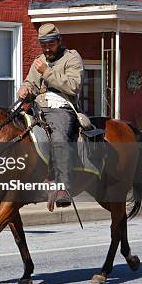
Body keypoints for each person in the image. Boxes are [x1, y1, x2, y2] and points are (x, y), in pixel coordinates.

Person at [17, 23, 84, 211]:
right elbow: (31, 83)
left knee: (59, 138)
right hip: (38, 106)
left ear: (59, 41)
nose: (47, 49)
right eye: (43, 45)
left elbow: (73, 86)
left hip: (61, 107)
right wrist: (25, 89)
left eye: (50, 44)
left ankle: (63, 187)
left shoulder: (72, 58)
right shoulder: (39, 60)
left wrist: (46, 72)